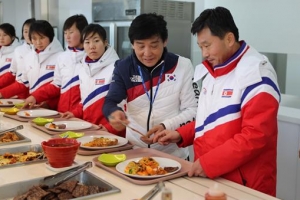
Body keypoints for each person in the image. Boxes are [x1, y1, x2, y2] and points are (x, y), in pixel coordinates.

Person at [151, 7, 280, 196]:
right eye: (201, 47)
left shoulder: (257, 74)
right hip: (212, 177)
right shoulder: (213, 70)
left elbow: (255, 136)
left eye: (207, 45)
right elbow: (210, 120)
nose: (204, 53)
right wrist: (180, 134)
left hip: (245, 183)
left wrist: (208, 164)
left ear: (229, 39)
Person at [103, 13, 199, 159]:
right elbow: (110, 101)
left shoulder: (182, 65)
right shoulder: (123, 67)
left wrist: (166, 125)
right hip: (135, 151)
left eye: (154, 45)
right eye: (140, 46)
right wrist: (114, 113)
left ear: (165, 41)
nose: (147, 53)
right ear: (132, 44)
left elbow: (193, 109)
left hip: (173, 154)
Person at [61, 24, 124, 136]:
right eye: (87, 42)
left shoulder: (117, 68)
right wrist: (73, 113)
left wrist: (109, 128)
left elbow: (125, 106)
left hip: (109, 133)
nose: (92, 46)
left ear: (105, 42)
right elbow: (86, 102)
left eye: (96, 41)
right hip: (89, 130)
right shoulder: (83, 69)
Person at [23, 15, 88, 112]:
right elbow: (57, 85)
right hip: (62, 113)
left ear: (83, 32)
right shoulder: (63, 57)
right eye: (65, 33)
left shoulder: (90, 58)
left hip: (82, 116)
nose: (67, 37)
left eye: (71, 32)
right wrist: (36, 97)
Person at [0, 20, 63, 109]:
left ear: (50, 37)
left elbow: (60, 86)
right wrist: (2, 93)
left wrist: (49, 103)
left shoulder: (61, 57)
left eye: (42, 38)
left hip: (54, 107)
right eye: (34, 38)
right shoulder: (29, 57)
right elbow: (23, 83)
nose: (38, 42)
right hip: (34, 105)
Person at [0, 18, 36, 99]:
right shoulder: (19, 50)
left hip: (36, 96)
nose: (28, 35)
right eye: (25, 31)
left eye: (5, 35)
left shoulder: (41, 52)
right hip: (17, 94)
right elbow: (12, 73)